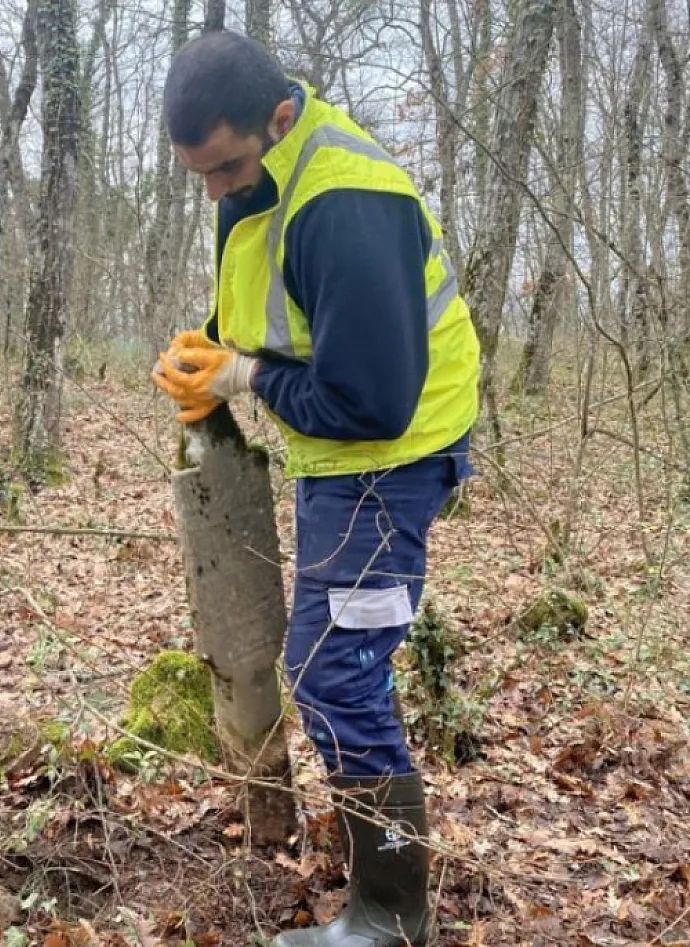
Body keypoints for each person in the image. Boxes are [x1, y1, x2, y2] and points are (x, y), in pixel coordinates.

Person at [149, 28, 480, 947]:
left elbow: (370, 401)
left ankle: (391, 914)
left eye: (225, 166)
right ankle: (383, 892)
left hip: (389, 455)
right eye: (197, 174)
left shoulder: (344, 203)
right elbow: (276, 301)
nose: (215, 190)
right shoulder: (254, 179)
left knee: (336, 669)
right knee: (338, 664)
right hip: (337, 456)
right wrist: (210, 352)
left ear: (281, 116)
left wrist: (244, 377)